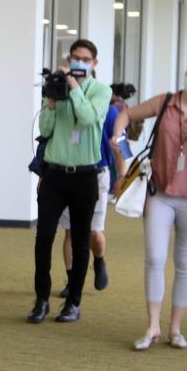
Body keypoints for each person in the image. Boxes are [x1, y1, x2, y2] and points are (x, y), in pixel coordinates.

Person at [111, 57, 187, 351]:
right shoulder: (165, 103)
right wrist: (118, 139)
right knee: (154, 258)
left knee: (185, 263)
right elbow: (125, 114)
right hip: (160, 194)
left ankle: (175, 329)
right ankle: (152, 326)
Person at [28, 39, 113, 324]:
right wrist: (52, 100)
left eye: (85, 58)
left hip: (85, 175)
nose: (79, 62)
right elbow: (45, 128)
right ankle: (41, 299)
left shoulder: (102, 91)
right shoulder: (57, 86)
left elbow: (88, 118)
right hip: (54, 175)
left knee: (80, 240)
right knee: (44, 238)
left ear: (94, 63)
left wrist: (74, 88)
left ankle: (73, 303)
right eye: (75, 57)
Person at [53, 90, 125, 297]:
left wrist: (122, 175)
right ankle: (72, 279)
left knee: (94, 232)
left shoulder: (108, 111)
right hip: (67, 172)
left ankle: (99, 259)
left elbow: (118, 144)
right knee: (71, 230)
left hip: (97, 174)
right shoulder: (64, 108)